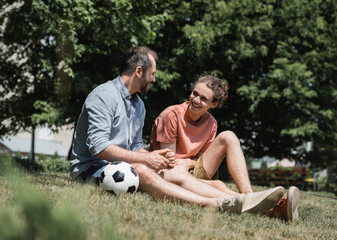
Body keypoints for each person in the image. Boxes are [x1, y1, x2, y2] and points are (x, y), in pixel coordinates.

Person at [70, 46, 285, 215]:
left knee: (177, 171)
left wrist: (152, 156)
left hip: (123, 164)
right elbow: (99, 147)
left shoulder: (138, 105)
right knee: (143, 170)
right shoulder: (104, 95)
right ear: (138, 71)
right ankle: (214, 204)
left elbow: (135, 146)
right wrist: (146, 160)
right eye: (152, 74)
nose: (154, 79)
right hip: (91, 170)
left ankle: (252, 203)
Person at [149, 75, 300, 221]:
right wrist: (188, 163)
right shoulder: (171, 115)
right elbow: (169, 161)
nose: (195, 100)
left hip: (188, 168)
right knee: (218, 185)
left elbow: (199, 160)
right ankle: (273, 210)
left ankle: (248, 194)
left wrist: (189, 163)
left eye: (203, 98)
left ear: (213, 104)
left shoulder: (211, 123)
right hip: (169, 171)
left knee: (228, 136)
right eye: (195, 93)